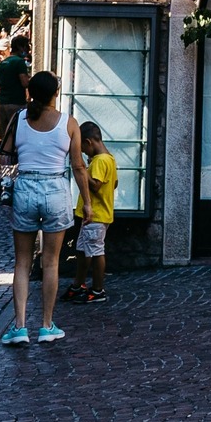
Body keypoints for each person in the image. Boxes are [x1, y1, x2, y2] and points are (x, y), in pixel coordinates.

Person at [1, 70, 92, 345]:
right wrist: (87, 202)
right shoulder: (69, 123)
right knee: (51, 262)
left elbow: (6, 154)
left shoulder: (20, 119)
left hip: (26, 188)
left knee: (22, 263)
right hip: (55, 190)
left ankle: (19, 327)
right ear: (56, 93)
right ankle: (46, 325)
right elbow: (77, 166)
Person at [66, 121, 116, 304]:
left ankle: (97, 290)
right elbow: (114, 183)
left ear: (88, 142)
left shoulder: (100, 161)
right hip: (97, 215)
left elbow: (95, 186)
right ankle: (79, 285)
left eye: (83, 149)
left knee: (95, 252)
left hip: (96, 215)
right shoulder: (109, 159)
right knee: (83, 250)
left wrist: (83, 169)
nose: (84, 152)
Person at [0, 34, 31, 140]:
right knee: (16, 134)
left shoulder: (3, 62)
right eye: (26, 46)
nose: (28, 49)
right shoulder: (19, 62)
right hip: (16, 102)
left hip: (2, 102)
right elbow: (24, 82)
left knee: (5, 134)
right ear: (21, 47)